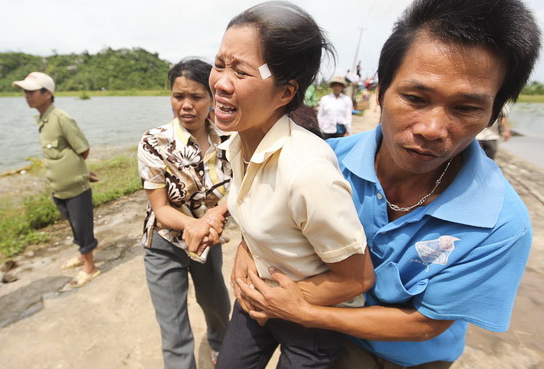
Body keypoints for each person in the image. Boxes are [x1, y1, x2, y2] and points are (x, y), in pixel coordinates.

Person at [233, 0, 540, 367]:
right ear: (380, 92)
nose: (431, 129)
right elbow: (268, 212)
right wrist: (246, 248)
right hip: (324, 335)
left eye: (465, 108)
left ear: (493, 113)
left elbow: (426, 323)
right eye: (415, 98)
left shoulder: (501, 224)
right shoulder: (320, 163)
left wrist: (304, 312)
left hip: (407, 356)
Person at [209, 2, 375, 368]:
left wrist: (281, 302)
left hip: (311, 320)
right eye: (220, 64)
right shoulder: (237, 145)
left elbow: (358, 277)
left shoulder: (307, 171)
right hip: (258, 296)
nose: (221, 82)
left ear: (285, 94)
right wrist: (245, 250)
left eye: (241, 72)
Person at [137, 58, 231, 368]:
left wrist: (214, 218)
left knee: (216, 304)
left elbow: (242, 189)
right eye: (179, 97)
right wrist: (195, 224)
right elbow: (161, 208)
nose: (186, 105)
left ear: (213, 98)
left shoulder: (230, 140)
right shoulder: (154, 142)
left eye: (196, 96)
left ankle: (219, 344)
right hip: (163, 245)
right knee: (174, 331)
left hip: (208, 241)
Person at [12, 72, 100, 287]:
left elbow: (83, 149)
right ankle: (82, 256)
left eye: (31, 92)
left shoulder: (61, 118)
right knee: (72, 224)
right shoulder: (44, 119)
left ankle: (90, 267)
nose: (27, 96)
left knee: (82, 226)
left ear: (47, 93)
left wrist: (78, 171)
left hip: (74, 186)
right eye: (25, 92)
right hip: (59, 186)